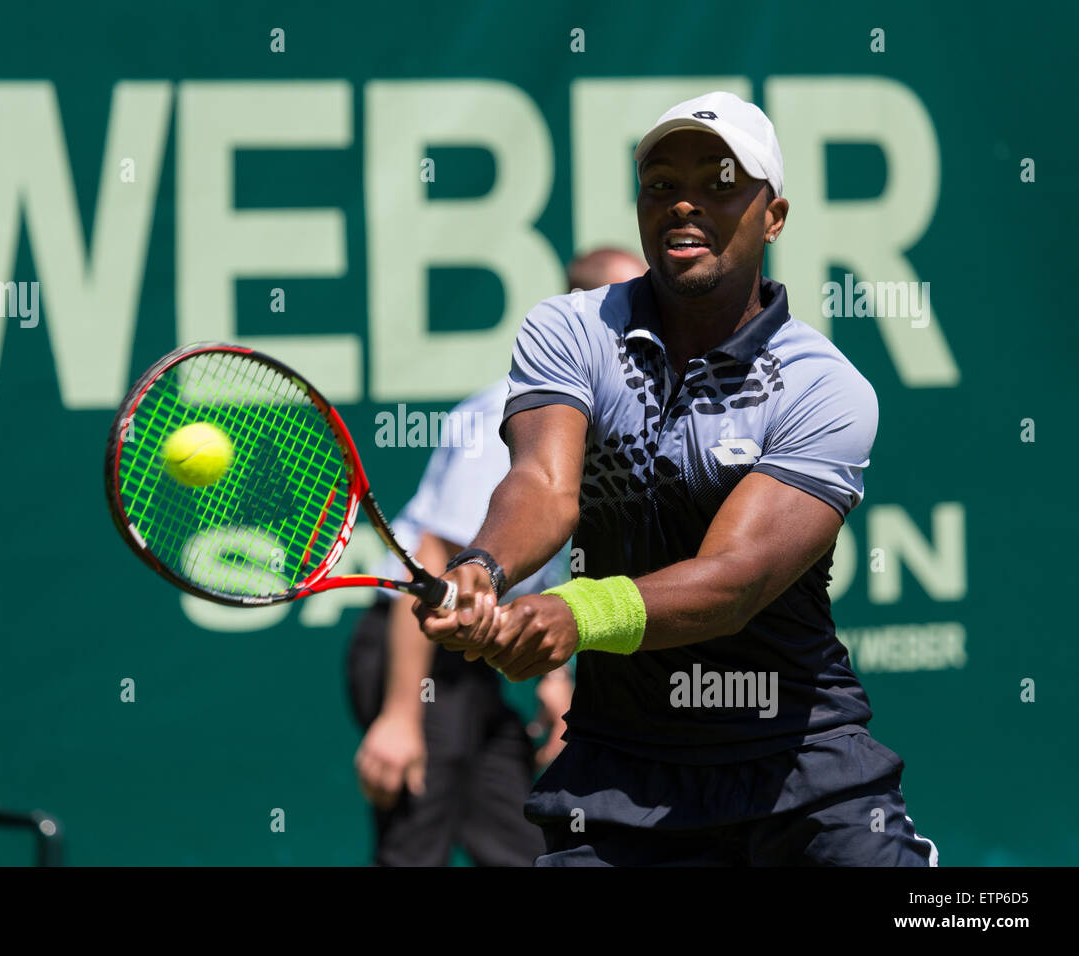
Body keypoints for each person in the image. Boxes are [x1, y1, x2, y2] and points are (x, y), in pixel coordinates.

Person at [417, 91, 938, 867]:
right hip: (620, 778)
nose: (684, 202)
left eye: (721, 183)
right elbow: (542, 484)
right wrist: (484, 569)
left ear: (775, 216)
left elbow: (734, 581)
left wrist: (577, 611)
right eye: (660, 184)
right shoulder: (570, 330)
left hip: (800, 770)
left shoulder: (823, 387)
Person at [347, 250, 646, 866]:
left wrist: (556, 683)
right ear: (592, 321)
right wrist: (402, 716)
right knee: (414, 850)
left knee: (529, 846)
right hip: (416, 656)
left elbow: (554, 566)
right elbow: (431, 561)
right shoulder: (518, 417)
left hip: (470, 670)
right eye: (637, 306)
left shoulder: (605, 420)